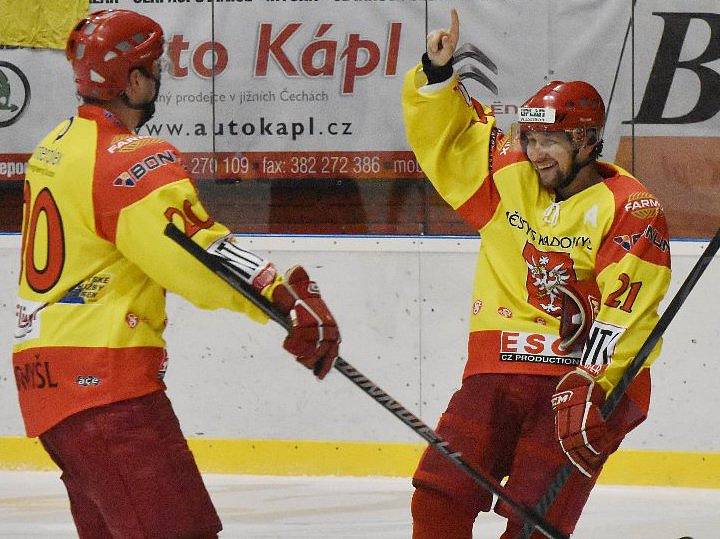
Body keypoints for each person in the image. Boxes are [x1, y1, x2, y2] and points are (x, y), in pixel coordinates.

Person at [12, 9, 340, 538]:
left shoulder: (56, 146)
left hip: (50, 388)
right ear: (134, 80)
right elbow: (197, 253)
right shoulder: (128, 160)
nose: (159, 76)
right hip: (108, 392)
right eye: (153, 67)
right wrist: (282, 297)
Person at [402, 9, 671, 538]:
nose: (536, 153)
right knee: (439, 493)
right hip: (498, 369)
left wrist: (592, 383)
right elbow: (452, 143)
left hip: (579, 381)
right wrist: (436, 76)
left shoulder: (631, 208)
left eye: (552, 141)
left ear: (589, 141)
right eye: (530, 138)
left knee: (535, 521)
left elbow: (628, 311)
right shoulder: (508, 178)